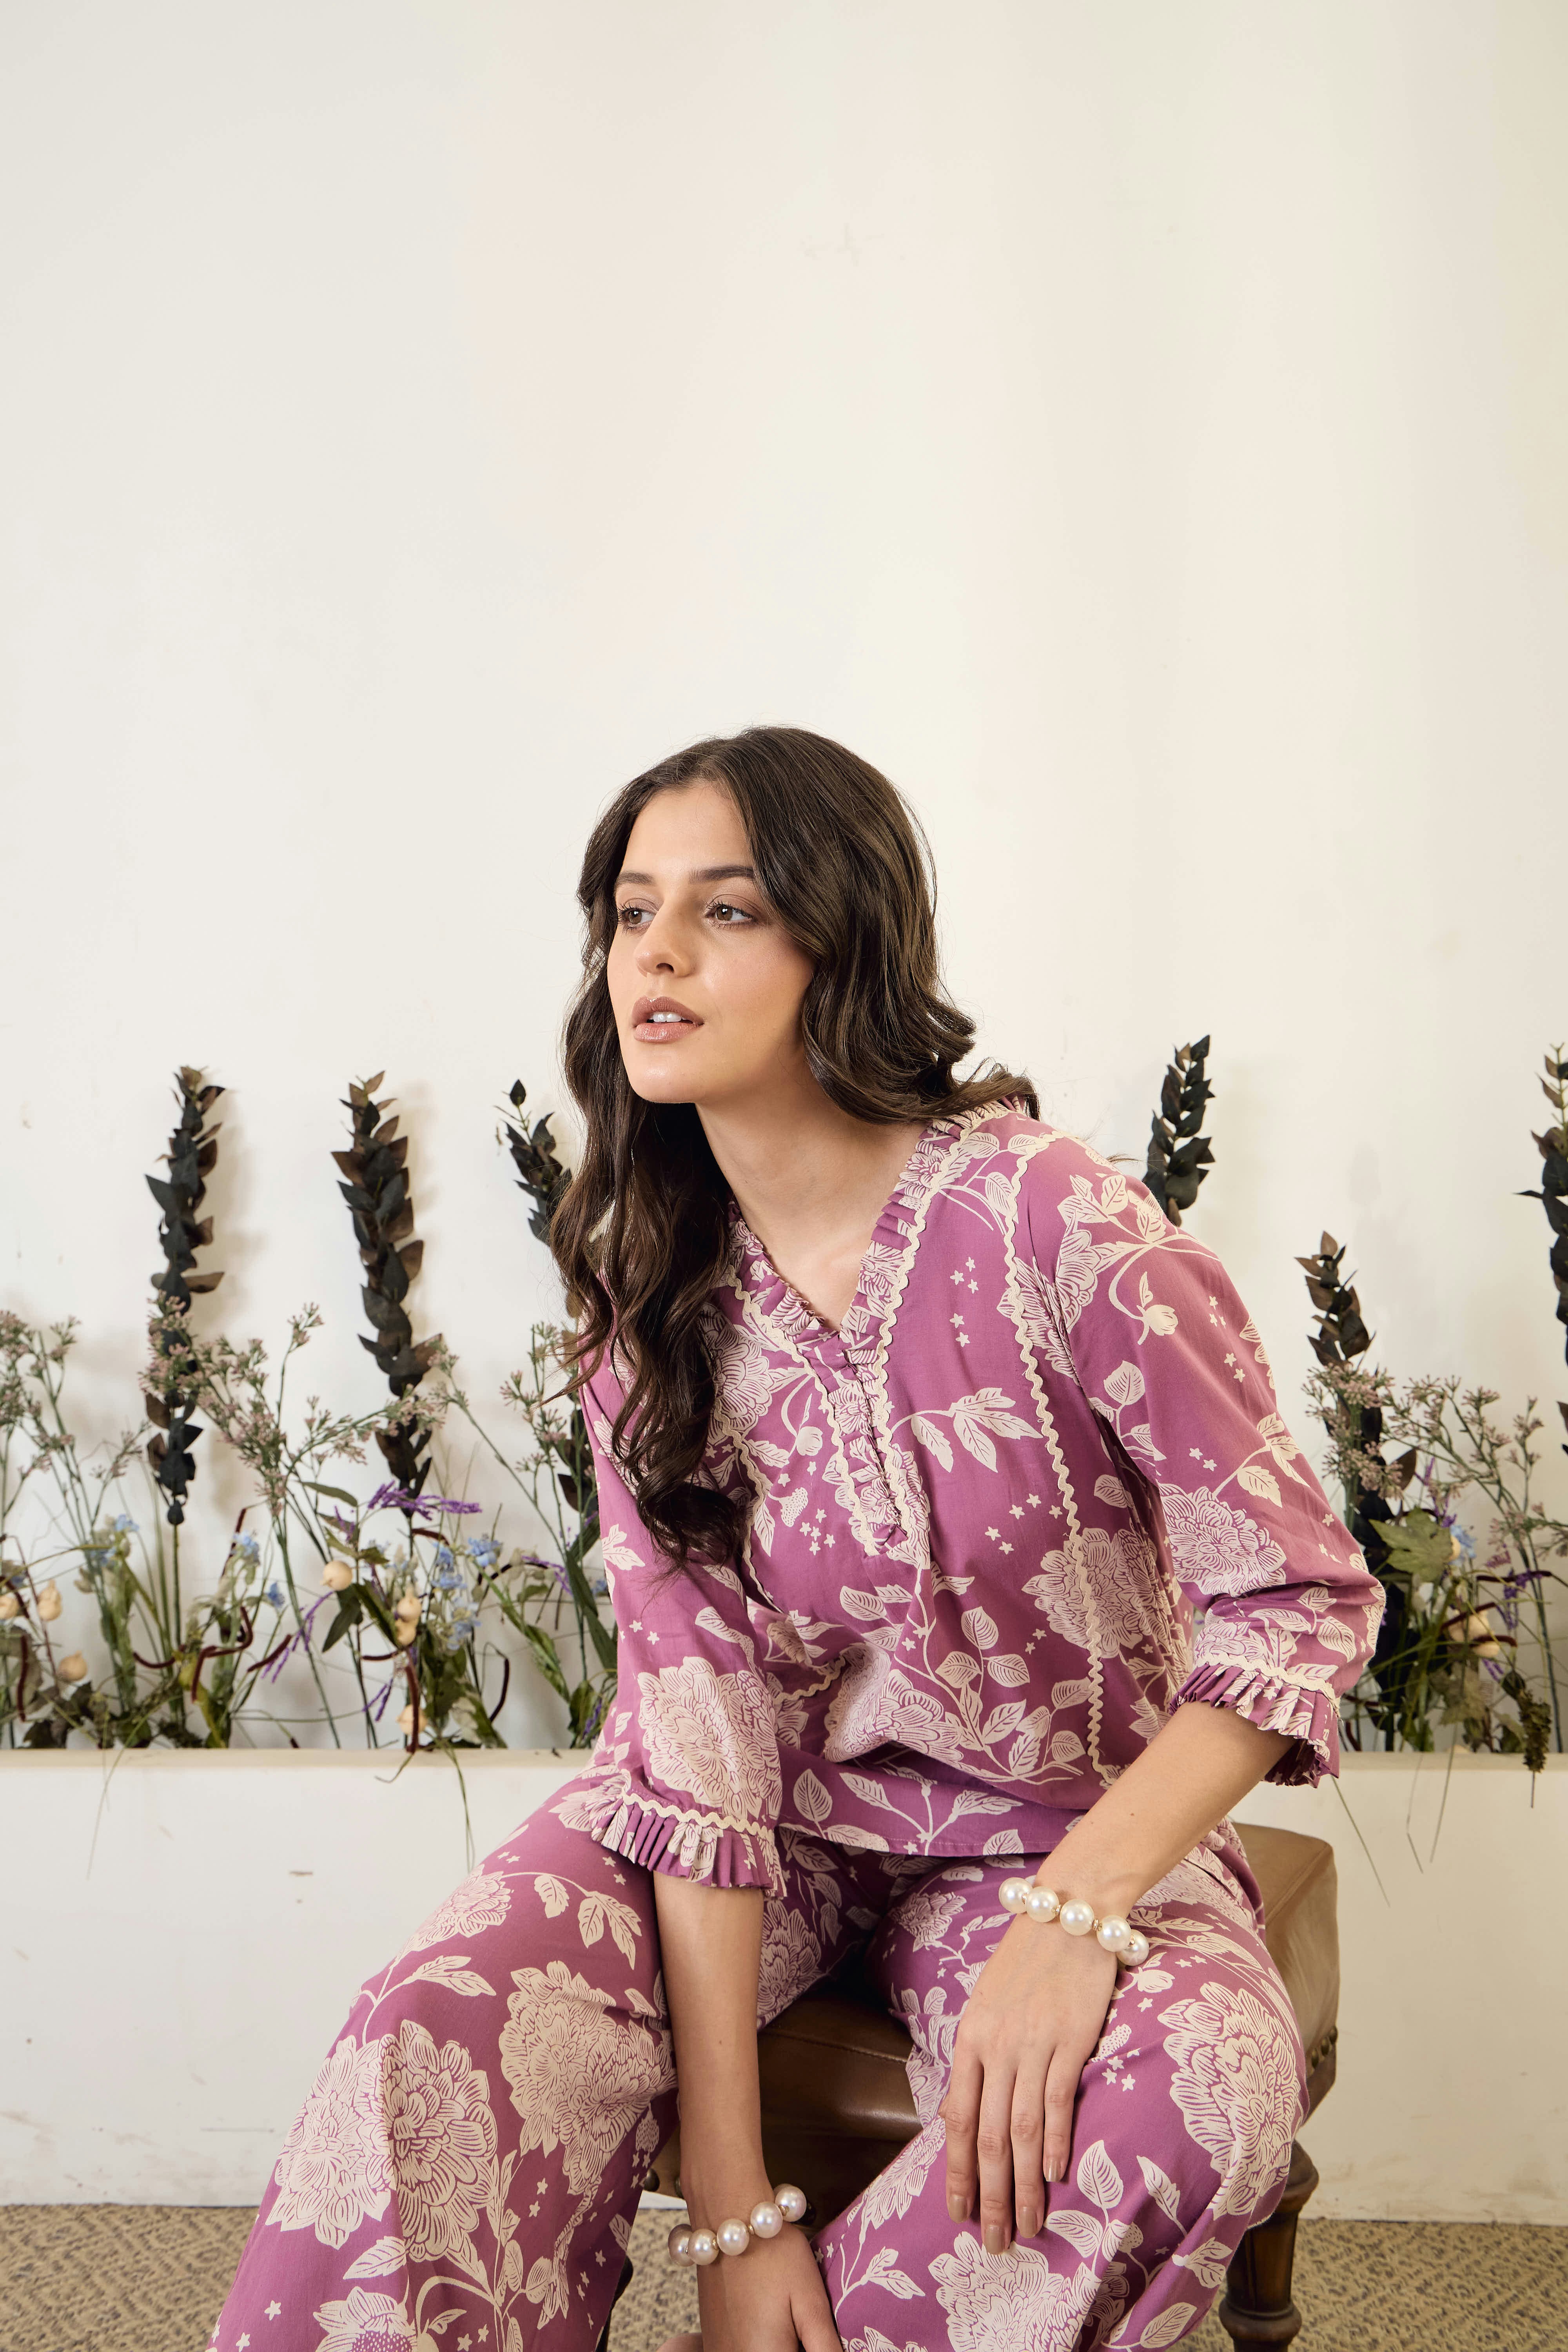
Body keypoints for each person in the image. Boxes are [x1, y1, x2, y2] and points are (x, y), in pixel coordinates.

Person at [213, 728, 1381, 2352]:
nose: (656, 955)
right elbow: (697, 1739)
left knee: (1202, 2086)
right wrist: (733, 2210)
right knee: (438, 2024)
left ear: (845, 941)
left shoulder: (1061, 1227)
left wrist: (1077, 1912)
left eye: (727, 910)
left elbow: (1294, 1602)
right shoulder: (643, 1285)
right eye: (631, 913)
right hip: (765, 1828)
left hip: (1067, 1825)